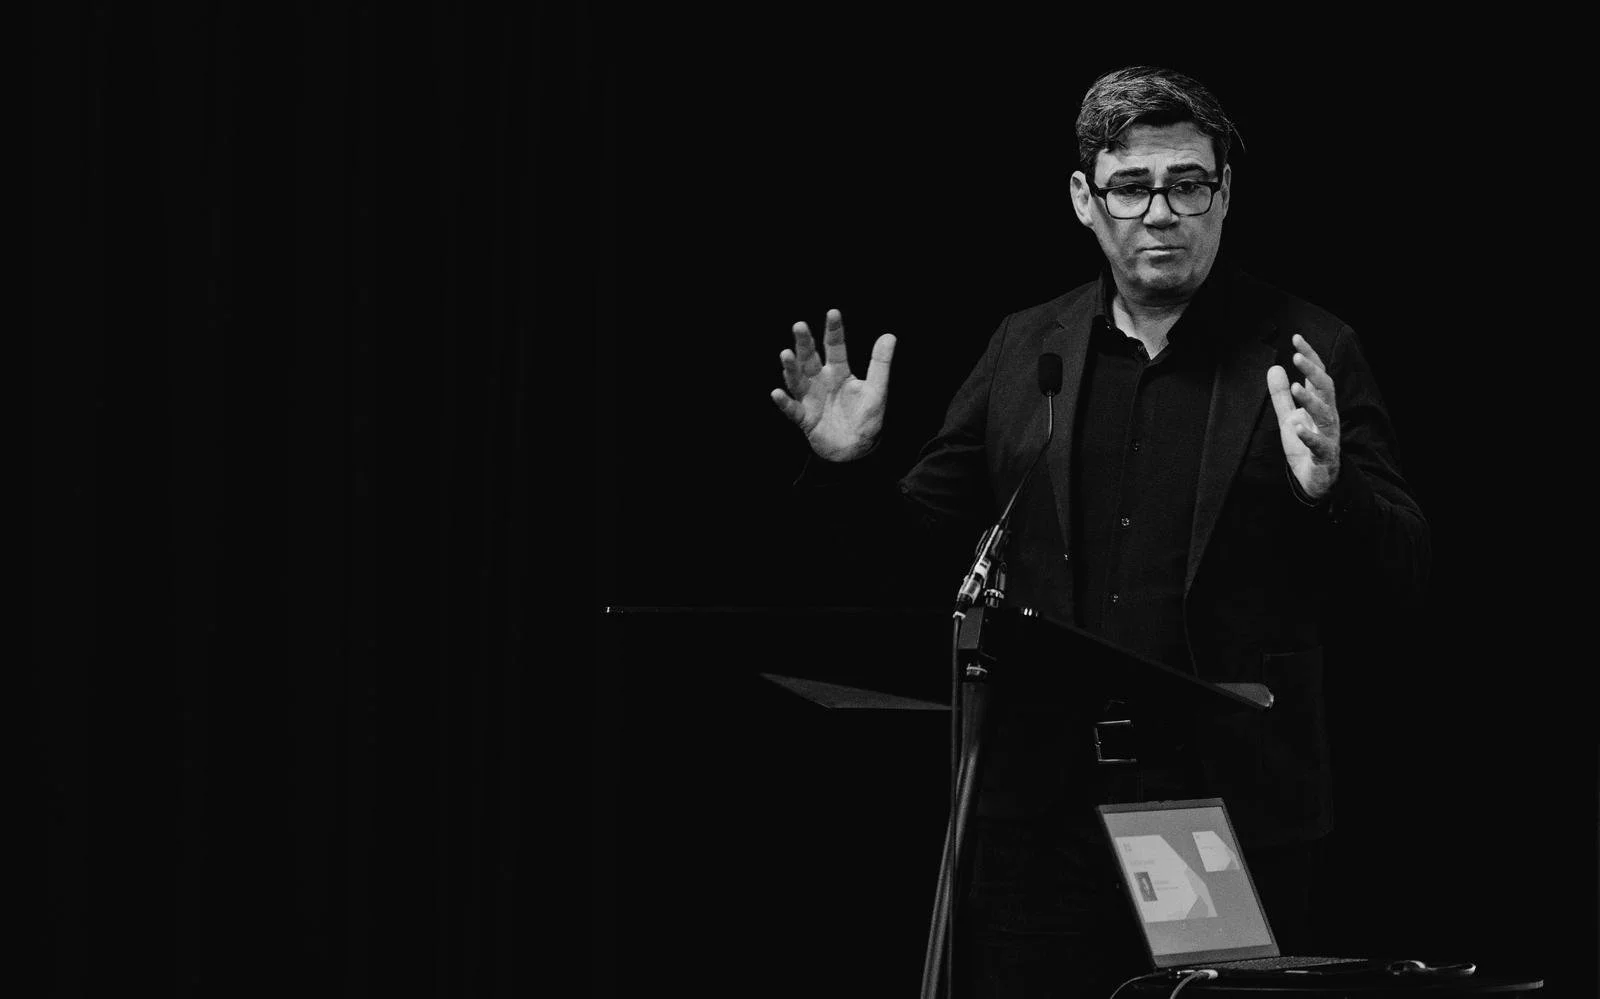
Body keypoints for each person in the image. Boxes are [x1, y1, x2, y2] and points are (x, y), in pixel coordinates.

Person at [768, 65, 1429, 996]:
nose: (1161, 212)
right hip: (1042, 817)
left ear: (1225, 194)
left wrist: (1330, 489)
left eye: (1188, 184)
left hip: (1225, 818)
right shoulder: (1024, 347)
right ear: (1085, 198)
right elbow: (912, 557)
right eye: (1131, 186)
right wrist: (846, 470)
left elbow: (1403, 572)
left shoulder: (1309, 348)